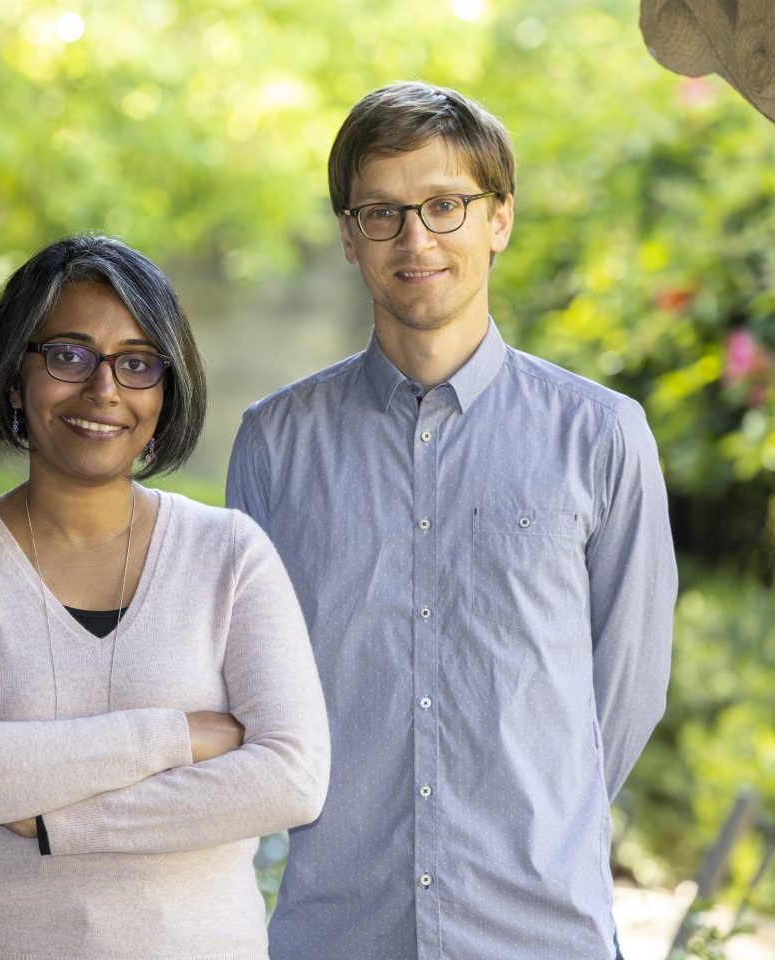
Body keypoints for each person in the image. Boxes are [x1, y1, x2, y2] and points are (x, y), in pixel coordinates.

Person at [227, 81, 678, 960]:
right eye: (383, 213)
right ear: (348, 235)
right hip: (338, 930)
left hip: (541, 934)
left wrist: (535, 818)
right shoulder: (274, 445)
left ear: (498, 218)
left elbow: (626, 692)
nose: (416, 240)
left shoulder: (602, 436)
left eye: (445, 206)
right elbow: (247, 690)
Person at [0, 234, 330, 959]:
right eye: (69, 355)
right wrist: (180, 737)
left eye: (137, 363)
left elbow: (290, 779)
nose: (104, 389)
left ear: (166, 389)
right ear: (14, 376)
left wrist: (45, 817)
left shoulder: (230, 555)